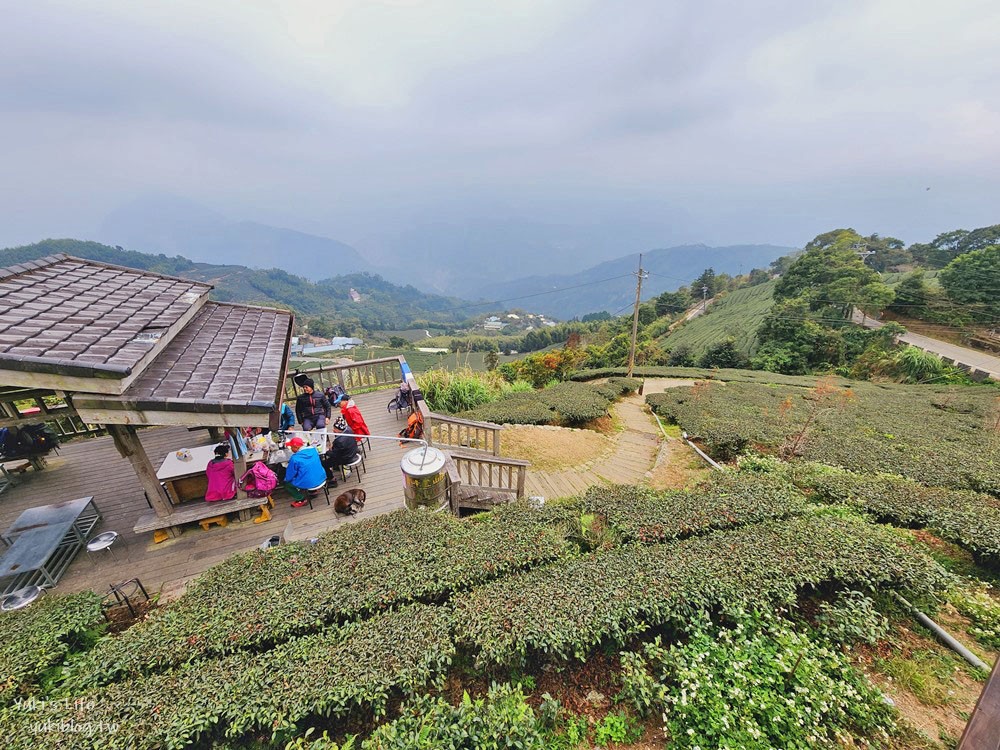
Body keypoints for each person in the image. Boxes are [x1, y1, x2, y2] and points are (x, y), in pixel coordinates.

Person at [282, 436, 327, 508]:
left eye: (291, 447)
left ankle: (301, 499)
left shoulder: (295, 458)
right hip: (321, 476)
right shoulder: (313, 450)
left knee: (287, 484)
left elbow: (290, 475)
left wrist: (286, 479)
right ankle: (313, 491)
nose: (291, 449)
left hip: (309, 482)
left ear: (296, 447)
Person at [322, 417, 359, 483]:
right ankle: (336, 467)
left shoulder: (340, 441)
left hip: (346, 457)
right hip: (353, 451)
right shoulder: (348, 429)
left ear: (340, 430)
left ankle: (331, 479)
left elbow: (334, 455)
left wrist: (326, 451)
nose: (333, 430)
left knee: (324, 464)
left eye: (335, 429)